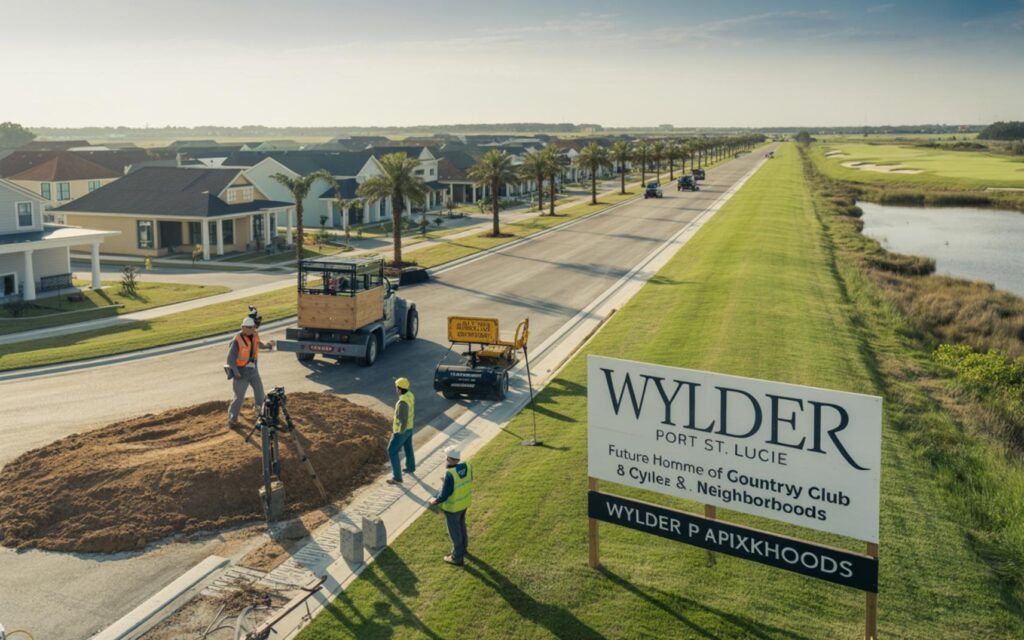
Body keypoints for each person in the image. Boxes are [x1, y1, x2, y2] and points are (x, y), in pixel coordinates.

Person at [429, 446, 472, 566]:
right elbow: (464, 481)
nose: (446, 460)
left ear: (452, 460)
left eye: (447, 458)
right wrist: (446, 482)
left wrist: (435, 501)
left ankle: (457, 558)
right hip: (464, 504)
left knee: (455, 533)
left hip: (452, 509)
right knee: (462, 526)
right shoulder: (467, 466)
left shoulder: (449, 474)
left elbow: (444, 495)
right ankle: (463, 549)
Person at [226, 316, 271, 428]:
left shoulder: (254, 335)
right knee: (239, 397)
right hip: (241, 373)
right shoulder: (237, 341)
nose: (251, 329)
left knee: (260, 393)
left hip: (253, 371)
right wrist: (236, 373)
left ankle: (260, 413)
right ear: (242, 327)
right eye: (248, 327)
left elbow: (257, 344)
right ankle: (232, 419)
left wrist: (266, 346)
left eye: (252, 327)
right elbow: (230, 359)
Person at [386, 377, 416, 484]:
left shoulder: (402, 402)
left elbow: (403, 419)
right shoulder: (410, 395)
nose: (395, 389)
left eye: (396, 387)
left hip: (402, 431)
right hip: (410, 427)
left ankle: (397, 477)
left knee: (391, 451)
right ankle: (411, 467)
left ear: (399, 389)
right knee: (408, 447)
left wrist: (399, 432)